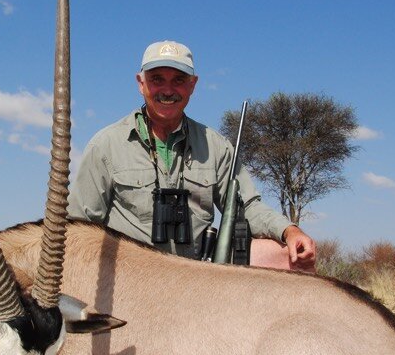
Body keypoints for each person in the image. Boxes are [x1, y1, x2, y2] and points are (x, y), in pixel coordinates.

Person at [67, 40, 316, 271]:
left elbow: (248, 206)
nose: (167, 90)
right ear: (141, 83)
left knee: (290, 258)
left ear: (192, 85)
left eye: (178, 80)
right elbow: (79, 228)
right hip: (131, 274)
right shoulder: (105, 145)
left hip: (197, 272)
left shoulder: (216, 146)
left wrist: (289, 231)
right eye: (157, 79)